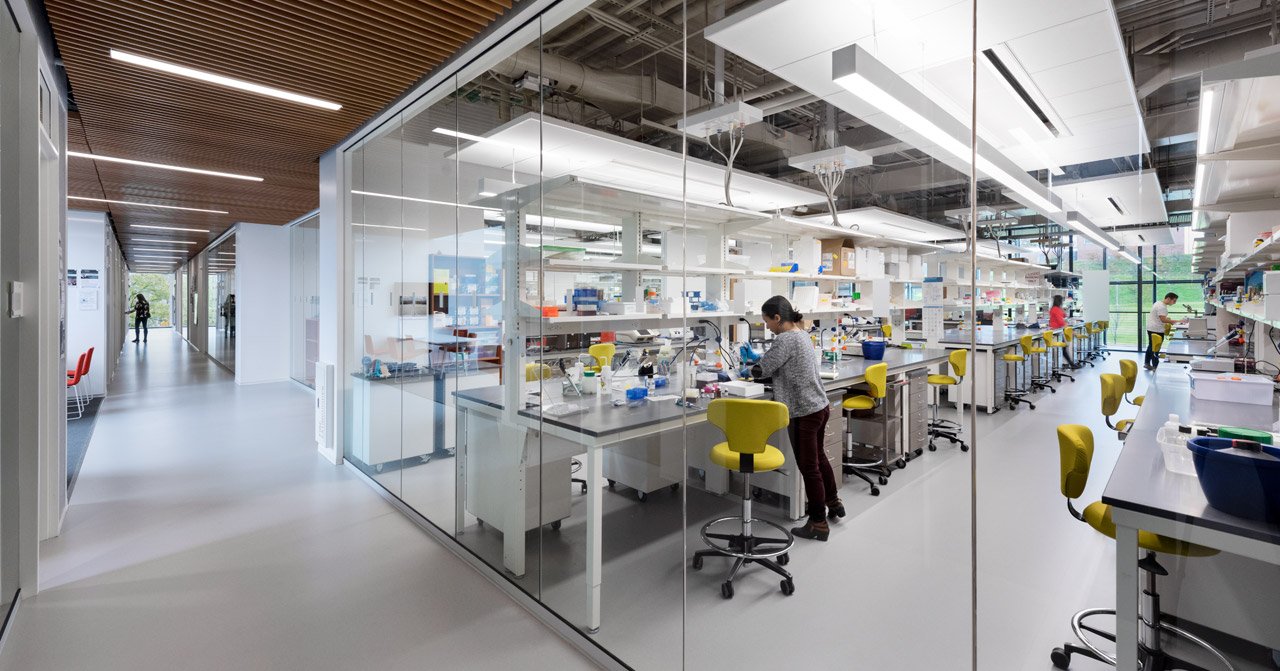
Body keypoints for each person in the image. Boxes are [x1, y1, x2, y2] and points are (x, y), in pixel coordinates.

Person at [754, 295, 841, 541]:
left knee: (809, 467)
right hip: (819, 406)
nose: (767, 327)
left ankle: (818, 523)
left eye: (767, 321)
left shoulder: (784, 339)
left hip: (804, 410)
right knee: (819, 458)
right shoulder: (801, 333)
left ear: (778, 318)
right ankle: (834, 502)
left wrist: (750, 367)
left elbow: (763, 369)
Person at [1145, 292, 1184, 370]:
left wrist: (1171, 321)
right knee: (1155, 348)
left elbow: (1162, 318)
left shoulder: (1158, 303)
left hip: (1152, 328)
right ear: (1168, 298)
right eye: (1174, 301)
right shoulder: (1161, 307)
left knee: (1151, 346)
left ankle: (1147, 363)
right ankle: (1155, 366)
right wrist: (1175, 321)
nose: (1174, 303)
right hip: (1156, 329)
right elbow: (1163, 320)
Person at [1048, 295, 1078, 369]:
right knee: (1063, 348)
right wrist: (1071, 331)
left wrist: (1062, 309)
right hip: (1056, 331)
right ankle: (1070, 364)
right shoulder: (1056, 309)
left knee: (1063, 348)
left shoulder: (1054, 308)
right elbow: (1060, 321)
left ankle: (1071, 364)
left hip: (1057, 331)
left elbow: (1064, 315)